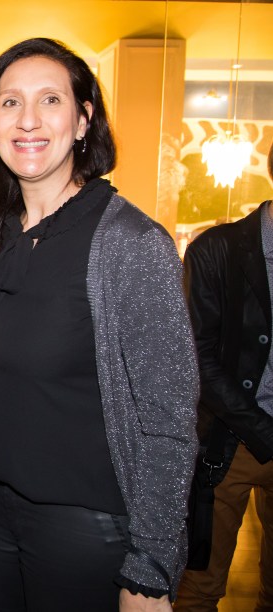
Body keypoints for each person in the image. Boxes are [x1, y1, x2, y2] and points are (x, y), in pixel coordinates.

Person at [0, 38, 198, 611]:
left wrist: (150, 569)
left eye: (50, 100)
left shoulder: (131, 244)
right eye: (10, 103)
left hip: (88, 532)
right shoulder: (0, 238)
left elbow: (170, 421)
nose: (29, 120)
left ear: (84, 120)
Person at [175, 143, 273, 610]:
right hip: (226, 442)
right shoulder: (218, 249)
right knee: (200, 587)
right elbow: (197, 358)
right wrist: (261, 428)